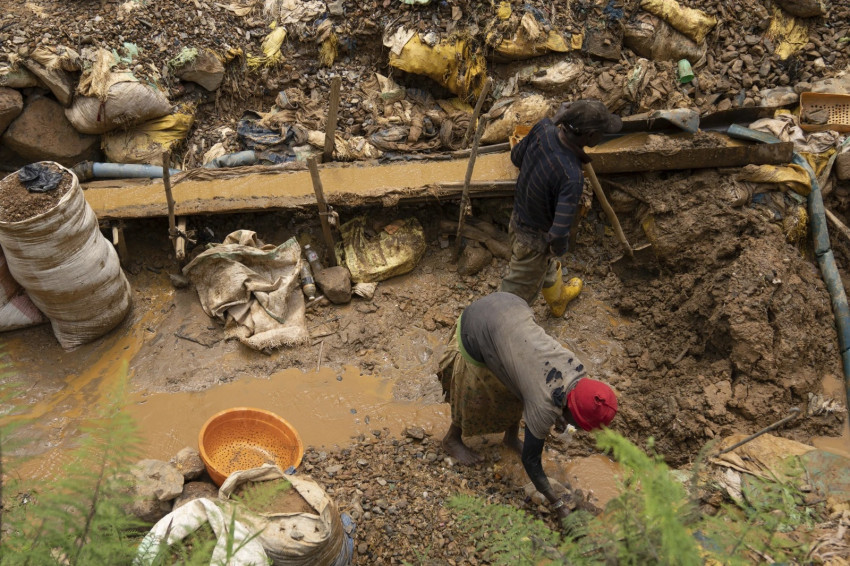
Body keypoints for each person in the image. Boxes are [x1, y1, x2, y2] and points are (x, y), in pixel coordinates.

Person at [437, 292, 618, 518]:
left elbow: (546, 387)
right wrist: (558, 505)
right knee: (479, 397)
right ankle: (452, 439)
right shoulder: (543, 407)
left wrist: (561, 416)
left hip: (510, 305)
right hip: (476, 328)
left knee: (516, 389)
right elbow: (531, 462)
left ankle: (510, 437)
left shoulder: (578, 371)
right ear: (572, 411)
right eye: (580, 425)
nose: (579, 431)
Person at [501, 99, 623, 313]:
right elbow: (558, 233)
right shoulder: (571, 175)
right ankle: (489, 335)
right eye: (603, 132)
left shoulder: (543, 129)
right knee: (510, 303)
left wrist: (552, 121)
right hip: (533, 241)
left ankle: (557, 300)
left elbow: (516, 156)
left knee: (543, 265)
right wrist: (557, 249)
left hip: (517, 217)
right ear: (592, 136)